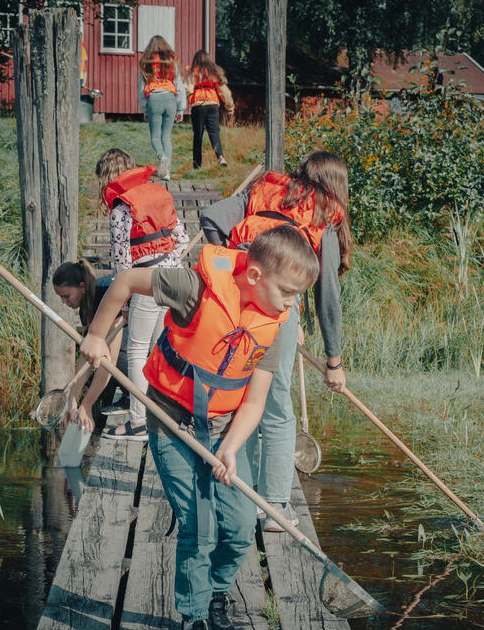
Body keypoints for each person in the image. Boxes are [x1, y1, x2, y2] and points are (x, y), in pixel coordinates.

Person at [79, 225, 320, 630]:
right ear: (253, 276)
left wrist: (231, 448)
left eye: (297, 295)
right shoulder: (193, 288)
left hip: (224, 423)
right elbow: (129, 281)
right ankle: (192, 624)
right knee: (199, 523)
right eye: (287, 292)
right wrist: (96, 334)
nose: (292, 303)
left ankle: (215, 595)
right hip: (172, 418)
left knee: (241, 521)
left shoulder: (273, 321)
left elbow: (255, 400)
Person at [199, 151, 352, 531]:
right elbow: (327, 293)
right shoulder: (324, 213)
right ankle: (275, 508)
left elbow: (210, 219)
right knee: (276, 404)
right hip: (274, 315)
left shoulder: (265, 190)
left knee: (243, 397)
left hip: (237, 303)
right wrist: (334, 360)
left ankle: (244, 495)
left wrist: (237, 268)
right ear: (336, 185)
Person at [96, 148, 189, 440]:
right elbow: (182, 240)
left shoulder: (121, 208)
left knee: (137, 351)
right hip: (174, 280)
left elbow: (123, 264)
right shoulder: (157, 194)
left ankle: (138, 421)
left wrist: (123, 302)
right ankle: (163, 415)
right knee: (160, 350)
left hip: (145, 282)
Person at [51, 260, 127, 433]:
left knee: (116, 361)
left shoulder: (106, 293)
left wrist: (86, 404)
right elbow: (86, 357)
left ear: (82, 286)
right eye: (61, 297)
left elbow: (109, 360)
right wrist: (72, 401)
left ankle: (132, 398)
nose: (64, 302)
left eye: (66, 296)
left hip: (149, 341)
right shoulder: (87, 306)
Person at [137, 35, 186, 181]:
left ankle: (161, 156)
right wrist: (180, 108)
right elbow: (179, 85)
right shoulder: (171, 61)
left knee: (155, 136)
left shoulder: (146, 62)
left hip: (154, 99)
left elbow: (141, 89)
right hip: (170, 99)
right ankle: (167, 172)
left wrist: (144, 109)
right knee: (166, 137)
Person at [185, 50, 232, 169]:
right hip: (212, 106)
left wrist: (191, 97)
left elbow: (188, 88)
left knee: (198, 136)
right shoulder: (214, 72)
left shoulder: (193, 73)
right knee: (214, 133)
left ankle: (197, 165)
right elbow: (224, 92)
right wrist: (229, 107)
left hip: (198, 106)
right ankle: (221, 157)